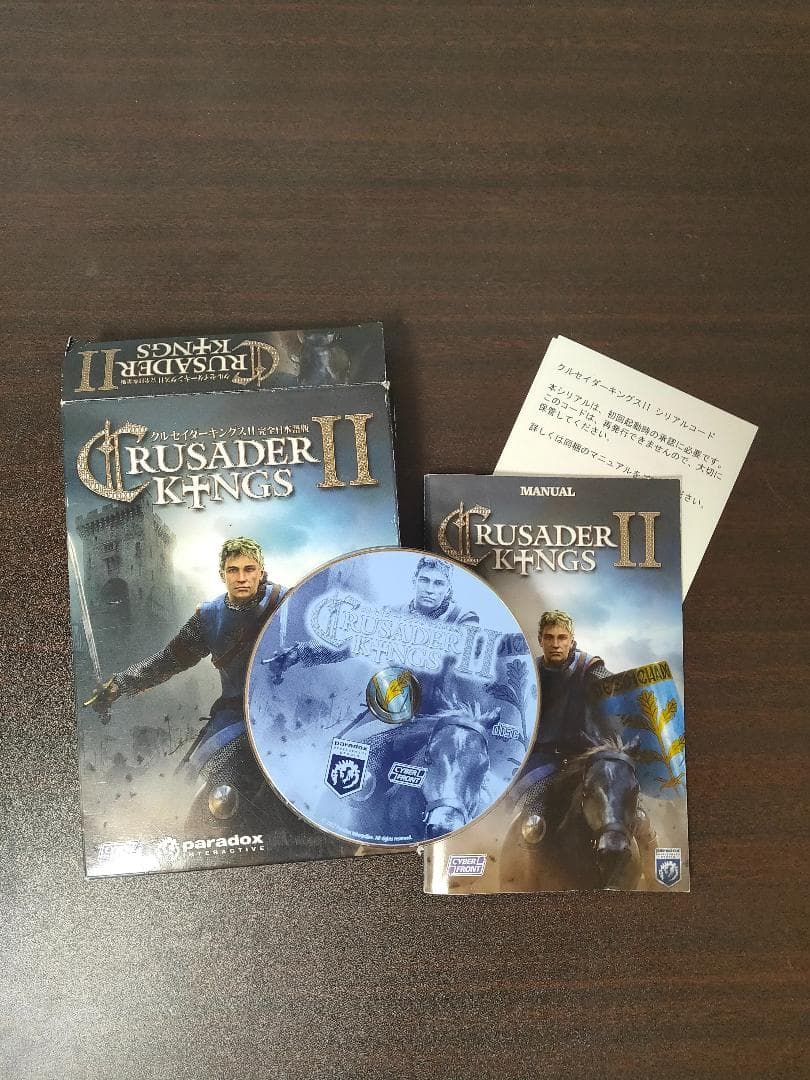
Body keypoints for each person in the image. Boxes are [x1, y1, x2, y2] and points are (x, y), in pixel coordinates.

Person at [86, 537, 300, 834]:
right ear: (222, 574)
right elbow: (168, 661)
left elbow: (324, 650)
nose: (241, 577)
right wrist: (120, 683)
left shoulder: (289, 603)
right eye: (233, 570)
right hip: (237, 717)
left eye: (249, 569)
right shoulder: (210, 617)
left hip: (292, 714)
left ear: (261, 572)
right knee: (209, 789)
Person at [532, 609, 612, 761]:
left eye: (562, 638)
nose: (555, 644)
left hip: (585, 757)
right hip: (542, 757)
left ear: (571, 641)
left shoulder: (589, 667)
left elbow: (617, 694)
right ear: (540, 640)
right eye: (549, 637)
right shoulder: (531, 671)